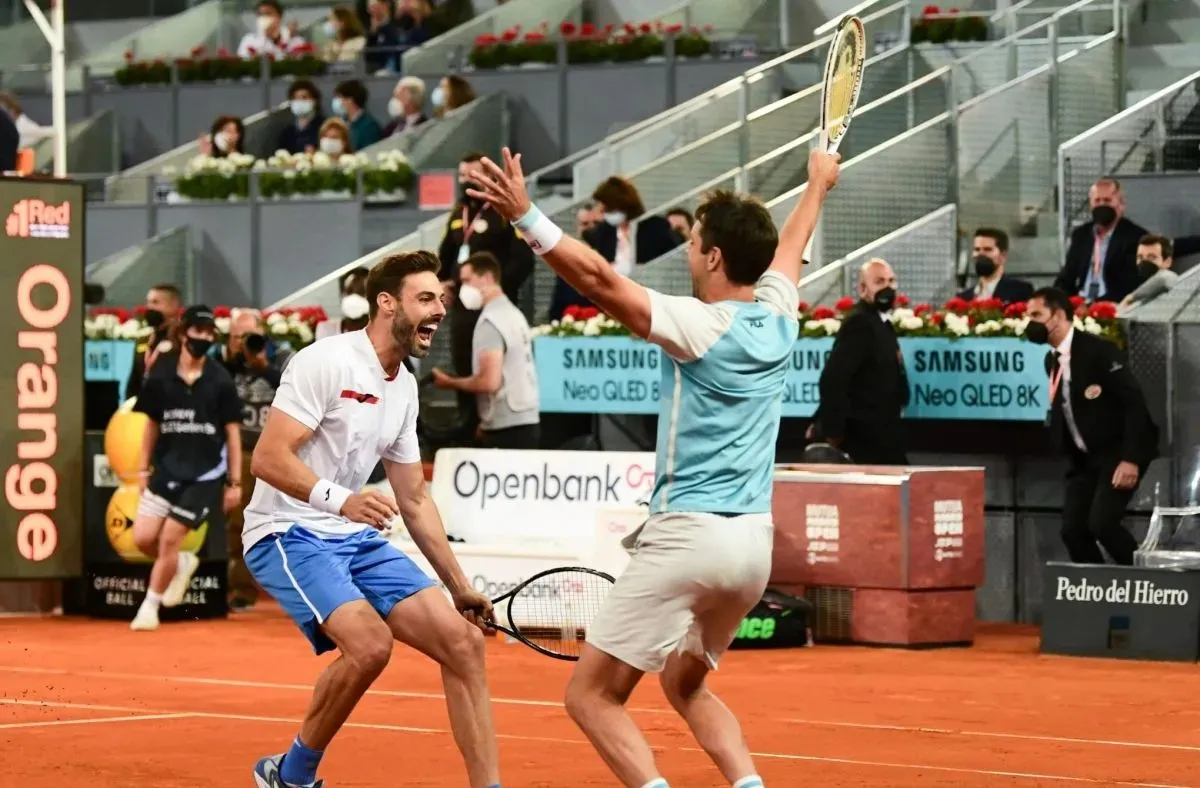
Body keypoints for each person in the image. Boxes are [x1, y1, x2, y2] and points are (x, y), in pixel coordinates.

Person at [466, 145, 842, 788]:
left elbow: (600, 282)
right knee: (684, 684)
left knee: (590, 696)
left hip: (687, 538)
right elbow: (790, 249)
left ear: (715, 256)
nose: (690, 251)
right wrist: (817, 184)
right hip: (752, 551)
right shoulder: (780, 317)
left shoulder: (699, 324)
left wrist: (528, 217)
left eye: (694, 242)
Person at [242, 251, 501, 788]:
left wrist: (457, 586)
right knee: (369, 647)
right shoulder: (326, 361)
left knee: (464, 642)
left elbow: (414, 498)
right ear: (387, 304)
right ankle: (294, 775)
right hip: (286, 531)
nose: (439, 309)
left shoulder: (403, 386)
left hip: (351, 536)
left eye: (442, 299)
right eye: (425, 299)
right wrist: (340, 500)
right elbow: (267, 458)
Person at [129, 306, 244, 632]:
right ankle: (180, 564)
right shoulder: (161, 373)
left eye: (209, 333)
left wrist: (234, 482)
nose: (204, 338)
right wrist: (142, 470)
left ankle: (149, 607)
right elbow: (151, 425)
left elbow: (233, 434)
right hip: (165, 471)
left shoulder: (220, 379)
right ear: (183, 333)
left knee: (168, 540)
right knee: (143, 538)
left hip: (205, 476)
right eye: (198, 331)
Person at [1026, 287, 1159, 566]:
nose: (1030, 322)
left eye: (1037, 314)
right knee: (1073, 532)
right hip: (1084, 461)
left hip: (1118, 453)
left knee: (1103, 526)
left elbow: (1134, 405)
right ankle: (1097, 592)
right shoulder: (1051, 360)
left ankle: (1149, 584)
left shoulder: (1099, 350)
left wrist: (1131, 459)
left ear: (1058, 315)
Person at [437, 150, 534, 441]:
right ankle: (466, 429)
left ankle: (497, 427)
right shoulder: (459, 212)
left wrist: (497, 290)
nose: (465, 180)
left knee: (495, 371)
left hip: (494, 305)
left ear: (489, 177)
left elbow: (523, 259)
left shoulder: (504, 211)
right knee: (465, 363)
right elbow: (446, 254)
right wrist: (443, 283)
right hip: (464, 309)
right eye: (462, 175)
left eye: (471, 174)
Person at [220, 308, 294, 612]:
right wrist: (232, 358)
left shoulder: (283, 356)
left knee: (290, 525)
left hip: (282, 450)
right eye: (237, 337)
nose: (244, 343)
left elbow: (297, 388)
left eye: (249, 337)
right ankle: (240, 590)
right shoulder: (224, 362)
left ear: (263, 334)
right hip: (243, 450)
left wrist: (263, 367)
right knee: (237, 524)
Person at [432, 252, 540, 450]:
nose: (463, 288)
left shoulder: (490, 322)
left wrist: (449, 383)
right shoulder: (515, 315)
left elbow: (489, 382)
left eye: (466, 280)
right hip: (524, 418)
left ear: (487, 278)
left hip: (507, 427)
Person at [809, 259, 910, 465]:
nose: (888, 287)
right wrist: (833, 431)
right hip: (862, 437)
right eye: (879, 282)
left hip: (882, 433)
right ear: (863, 289)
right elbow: (833, 378)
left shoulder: (882, 323)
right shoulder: (860, 323)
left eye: (891, 281)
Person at [1054, 179, 1148, 304]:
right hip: (1079, 302)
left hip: (1113, 305)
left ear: (1121, 205)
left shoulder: (1135, 237)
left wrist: (1093, 306)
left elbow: (1129, 285)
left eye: (1107, 200)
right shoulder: (1081, 235)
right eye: (1097, 200)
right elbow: (1067, 276)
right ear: (1091, 204)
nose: (1102, 205)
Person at [126, 284, 182, 400]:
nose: (149, 307)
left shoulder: (183, 340)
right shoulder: (143, 340)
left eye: (155, 302)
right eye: (148, 302)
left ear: (173, 305)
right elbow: (134, 381)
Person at [958, 227, 1033, 303]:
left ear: (1003, 256)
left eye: (987, 249)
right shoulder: (963, 298)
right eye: (977, 249)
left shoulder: (1020, 291)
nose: (980, 254)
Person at [1120, 234, 1180, 310]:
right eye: (1140, 257)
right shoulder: (1135, 283)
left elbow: (1164, 278)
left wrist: (1130, 298)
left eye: (1151, 257)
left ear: (1167, 262)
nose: (1144, 262)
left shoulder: (1168, 278)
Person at [238, 0, 307, 59]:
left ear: (279, 16)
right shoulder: (249, 40)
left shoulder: (296, 41)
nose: (264, 17)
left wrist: (286, 37)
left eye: (268, 13)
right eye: (260, 14)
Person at [332, 79, 383, 151]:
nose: (338, 102)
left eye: (340, 97)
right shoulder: (342, 122)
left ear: (351, 100)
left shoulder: (369, 126)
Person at [277, 80, 325, 155]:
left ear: (314, 100)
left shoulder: (324, 127)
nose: (299, 102)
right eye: (295, 98)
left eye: (304, 97)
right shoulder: (287, 133)